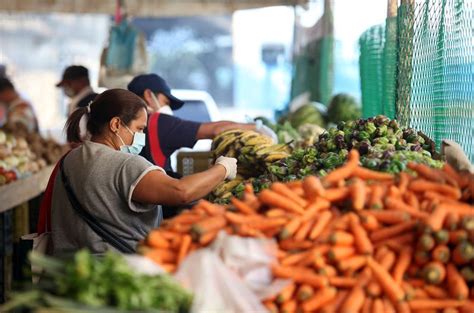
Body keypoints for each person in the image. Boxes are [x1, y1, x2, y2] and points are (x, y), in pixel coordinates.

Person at [50, 88, 237, 256]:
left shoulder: (70, 159)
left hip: (68, 270)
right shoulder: (125, 165)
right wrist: (223, 168)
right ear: (115, 124)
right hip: (117, 272)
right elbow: (181, 192)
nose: (142, 137)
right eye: (139, 129)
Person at [127, 73, 277, 174]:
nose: (167, 108)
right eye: (165, 101)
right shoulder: (158, 122)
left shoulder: (122, 121)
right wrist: (256, 128)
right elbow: (215, 130)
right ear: (148, 95)